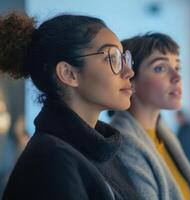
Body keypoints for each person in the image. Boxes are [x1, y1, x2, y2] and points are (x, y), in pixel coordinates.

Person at [0, 12, 138, 199]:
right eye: (112, 57)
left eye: (123, 58)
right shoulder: (51, 162)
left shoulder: (99, 150)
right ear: (68, 73)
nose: (129, 71)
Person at [110, 33, 190, 200]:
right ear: (129, 80)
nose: (177, 77)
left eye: (177, 67)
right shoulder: (123, 145)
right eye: (160, 68)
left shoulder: (162, 132)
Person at [176, 110, 190, 175]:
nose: (178, 120)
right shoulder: (180, 129)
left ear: (182, 117)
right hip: (185, 159)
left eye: (179, 118)